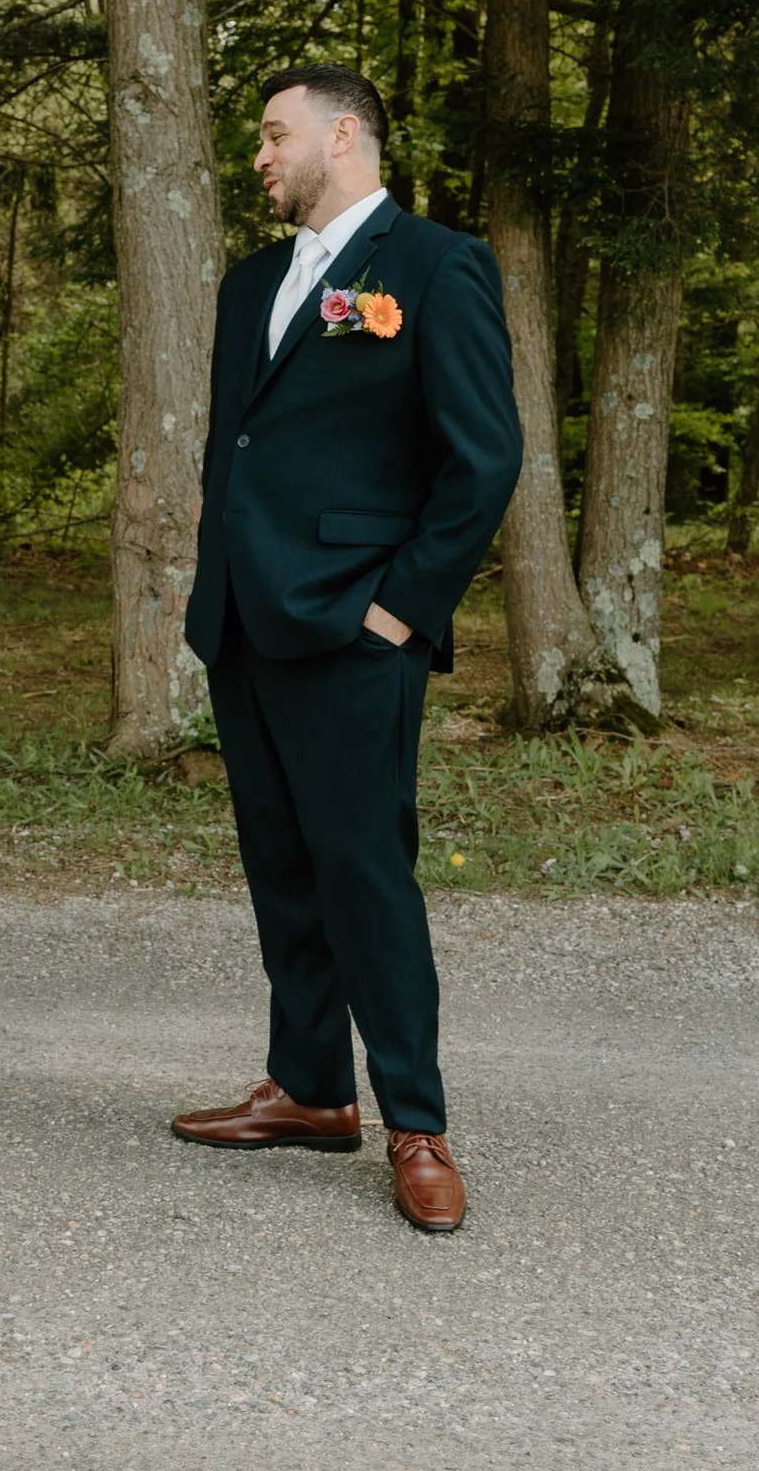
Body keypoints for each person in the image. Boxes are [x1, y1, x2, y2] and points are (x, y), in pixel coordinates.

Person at [171, 64, 520, 1232]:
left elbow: (482, 459)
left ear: (347, 134)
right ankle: (311, 1088)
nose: (259, 156)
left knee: (366, 874)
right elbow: (241, 444)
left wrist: (402, 607)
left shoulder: (434, 266)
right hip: (243, 623)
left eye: (275, 135)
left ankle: (415, 1121)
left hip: (354, 624)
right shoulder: (251, 282)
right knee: (282, 867)